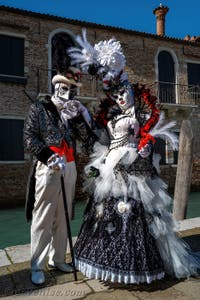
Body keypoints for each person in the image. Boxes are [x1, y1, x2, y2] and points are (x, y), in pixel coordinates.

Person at [67, 30, 200, 284]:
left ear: (131, 91)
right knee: (102, 214)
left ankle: (136, 266)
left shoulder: (138, 117)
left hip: (133, 166)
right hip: (110, 166)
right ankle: (105, 262)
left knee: (134, 214)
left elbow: (149, 134)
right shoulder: (113, 118)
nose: (121, 97)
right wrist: (82, 112)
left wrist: (145, 147)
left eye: (124, 92)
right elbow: (99, 137)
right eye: (117, 95)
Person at [24, 66, 92, 285]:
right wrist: (48, 157)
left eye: (73, 88)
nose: (69, 91)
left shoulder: (72, 112)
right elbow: (29, 137)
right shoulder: (40, 108)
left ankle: (58, 259)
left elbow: (85, 138)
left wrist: (81, 117)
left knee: (64, 214)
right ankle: (37, 264)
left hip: (70, 165)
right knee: (43, 214)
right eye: (66, 87)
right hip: (49, 165)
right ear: (56, 86)